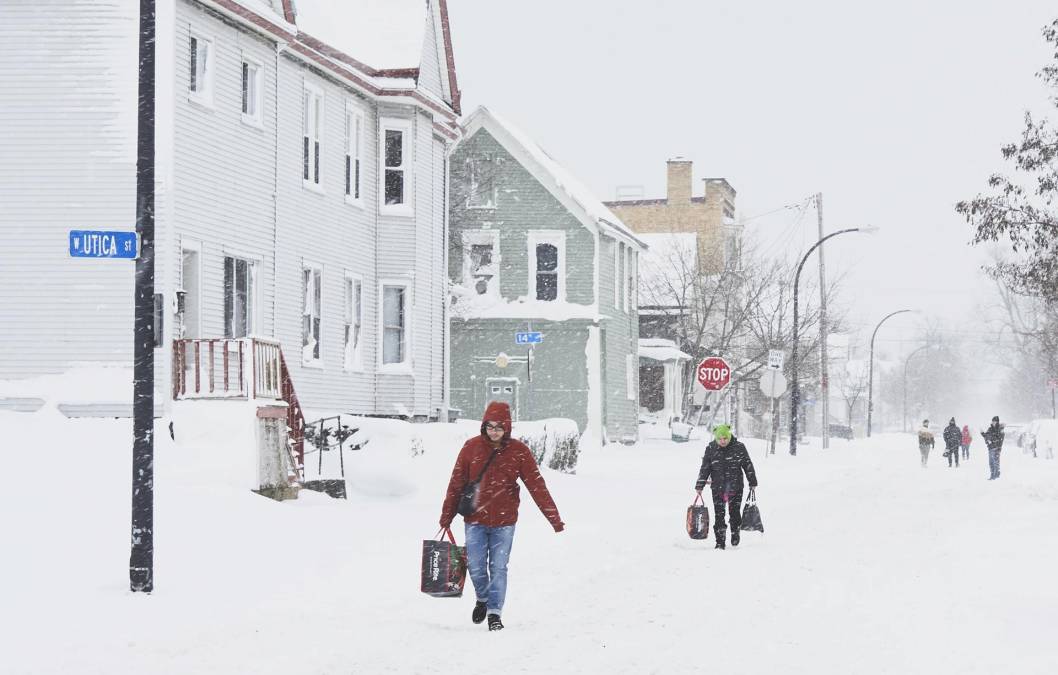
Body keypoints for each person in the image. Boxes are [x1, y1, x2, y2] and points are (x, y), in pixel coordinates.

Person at [439, 401, 564, 631]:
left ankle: (495, 612)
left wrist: (554, 518)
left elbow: (537, 486)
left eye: (499, 426)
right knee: (475, 565)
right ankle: (483, 598)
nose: (494, 431)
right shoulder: (471, 448)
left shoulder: (519, 451)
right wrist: (446, 515)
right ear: (484, 426)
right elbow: (456, 483)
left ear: (507, 427)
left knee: (499, 567)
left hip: (505, 522)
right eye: (490, 426)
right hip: (475, 519)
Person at [694, 424, 758, 550]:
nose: (723, 441)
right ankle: (720, 542)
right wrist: (700, 485)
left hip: (736, 487)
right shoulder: (711, 448)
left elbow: (747, 465)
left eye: (725, 438)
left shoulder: (739, 447)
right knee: (719, 515)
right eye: (720, 439)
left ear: (729, 436)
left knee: (734, 513)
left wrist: (753, 482)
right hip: (718, 488)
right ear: (716, 438)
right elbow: (705, 468)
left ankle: (735, 532)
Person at [982, 416, 1005, 480]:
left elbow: (1001, 439)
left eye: (994, 421)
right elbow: (986, 436)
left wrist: (998, 446)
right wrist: (983, 434)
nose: (993, 422)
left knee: (996, 462)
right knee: (991, 463)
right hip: (990, 448)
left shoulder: (1000, 429)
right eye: (992, 421)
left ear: (997, 422)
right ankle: (992, 475)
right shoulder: (990, 429)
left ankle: (996, 475)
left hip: (996, 448)